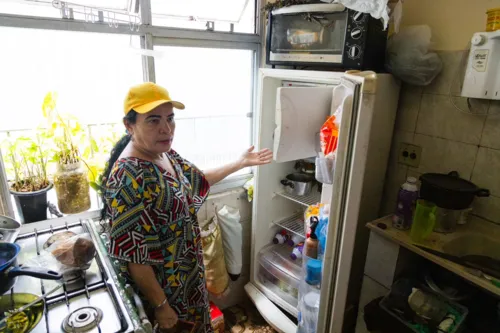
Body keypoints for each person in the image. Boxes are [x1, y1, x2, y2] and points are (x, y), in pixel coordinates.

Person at [101, 82, 272, 333]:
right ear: (129, 125)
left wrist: (240, 162)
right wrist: (161, 306)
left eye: (170, 119)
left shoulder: (164, 154)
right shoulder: (129, 177)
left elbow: (196, 180)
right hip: (167, 295)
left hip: (188, 282)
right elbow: (135, 259)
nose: (166, 128)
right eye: (153, 120)